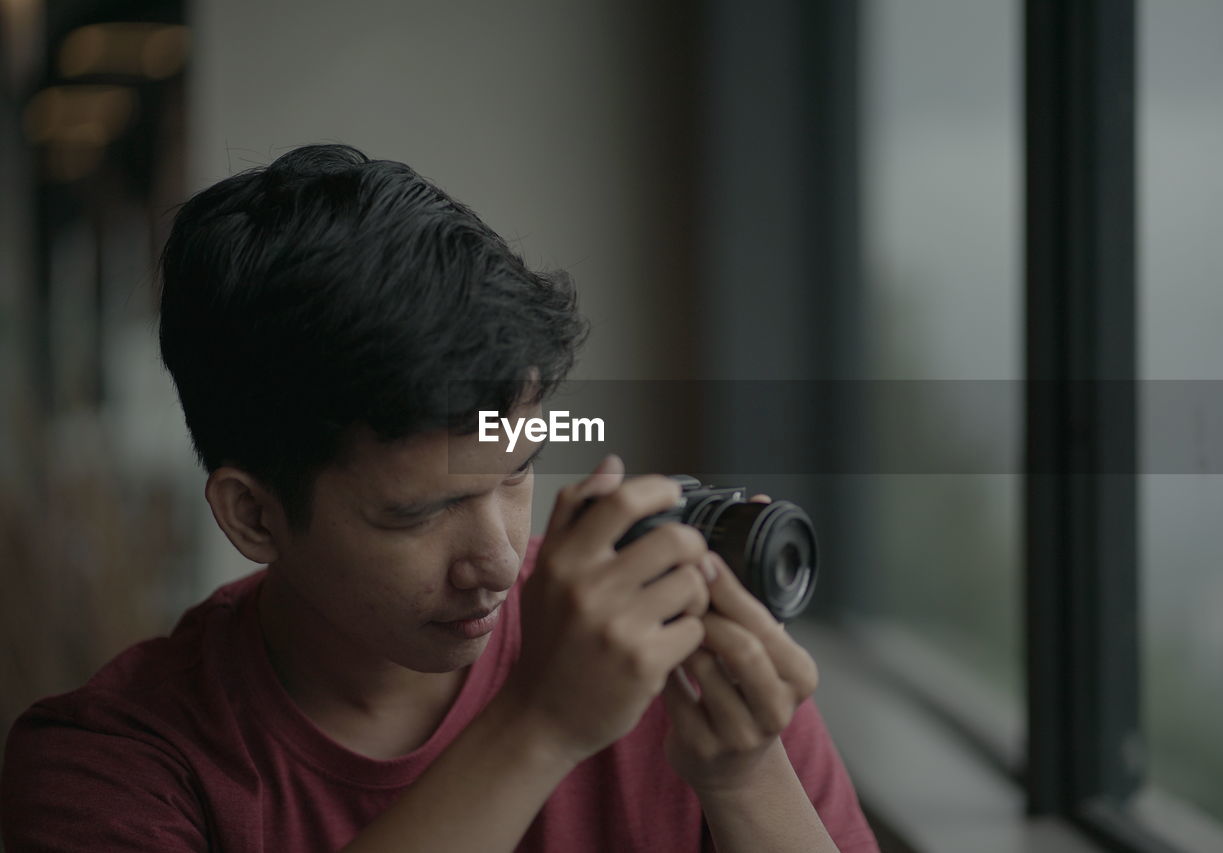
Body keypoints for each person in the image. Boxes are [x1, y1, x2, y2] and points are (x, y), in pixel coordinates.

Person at [0, 144, 879, 852]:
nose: (499, 558)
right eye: (417, 513)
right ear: (253, 515)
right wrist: (539, 725)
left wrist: (744, 775)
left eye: (520, 471)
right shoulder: (112, 765)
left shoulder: (652, 646)